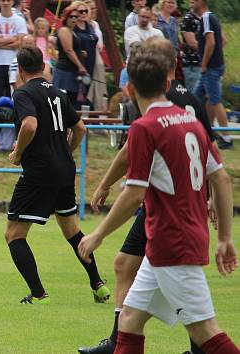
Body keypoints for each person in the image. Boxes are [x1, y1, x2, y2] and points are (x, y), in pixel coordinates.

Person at [77, 38, 240, 354]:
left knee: (207, 333)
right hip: (171, 242)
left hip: (172, 242)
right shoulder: (189, 120)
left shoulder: (145, 127)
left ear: (128, 88)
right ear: (168, 81)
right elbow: (220, 177)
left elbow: (135, 193)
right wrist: (224, 237)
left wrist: (98, 234)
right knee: (129, 322)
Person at [5, 46, 109, 305]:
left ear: (20, 69)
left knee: (14, 235)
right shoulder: (58, 93)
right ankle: (98, 283)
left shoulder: (23, 93)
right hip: (64, 169)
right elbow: (81, 129)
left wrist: (18, 152)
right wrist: (64, 153)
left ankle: (39, 294)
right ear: (43, 65)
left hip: (40, 171)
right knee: (73, 231)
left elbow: (30, 125)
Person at [193, 0, 231, 150]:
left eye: (193, 1)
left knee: (215, 100)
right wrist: (215, 57)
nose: (191, 3)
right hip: (212, 68)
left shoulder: (206, 18)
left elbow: (211, 42)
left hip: (209, 69)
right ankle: (206, 133)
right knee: (194, 99)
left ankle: (227, 139)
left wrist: (204, 62)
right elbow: (223, 40)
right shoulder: (213, 17)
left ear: (201, 2)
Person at [0, 0, 27, 100]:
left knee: (14, 95)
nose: (5, 2)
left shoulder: (20, 20)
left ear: (12, 2)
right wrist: (12, 39)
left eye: (8, 0)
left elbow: (21, 43)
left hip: (14, 62)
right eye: (3, 0)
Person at [52, 5, 88, 108]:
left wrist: (81, 53)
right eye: (71, 16)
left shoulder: (72, 32)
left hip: (72, 72)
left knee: (72, 103)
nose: (74, 19)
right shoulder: (64, 30)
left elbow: (72, 49)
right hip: (65, 72)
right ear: (66, 18)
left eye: (76, 17)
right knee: (63, 103)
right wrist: (80, 66)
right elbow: (68, 50)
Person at [72, 1, 98, 95]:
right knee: (78, 94)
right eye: (80, 11)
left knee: (88, 93)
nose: (83, 13)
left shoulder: (90, 26)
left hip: (91, 65)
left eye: (85, 11)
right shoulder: (72, 28)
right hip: (78, 66)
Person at [180, 1, 201, 92]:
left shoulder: (207, 17)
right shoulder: (188, 18)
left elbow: (221, 39)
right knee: (194, 95)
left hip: (206, 63)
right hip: (192, 63)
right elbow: (192, 43)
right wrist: (211, 50)